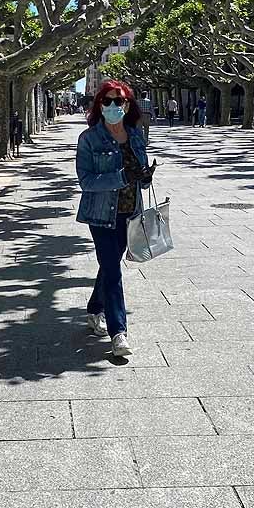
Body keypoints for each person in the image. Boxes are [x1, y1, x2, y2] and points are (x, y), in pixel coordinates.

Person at [76, 79, 155, 358]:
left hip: (130, 212)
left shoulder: (135, 134)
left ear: (127, 104)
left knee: (109, 265)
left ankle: (94, 308)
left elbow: (141, 175)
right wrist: (121, 177)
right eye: (106, 101)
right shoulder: (89, 139)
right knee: (112, 268)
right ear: (99, 104)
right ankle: (118, 332)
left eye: (118, 101)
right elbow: (86, 180)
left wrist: (145, 177)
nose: (112, 105)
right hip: (100, 215)